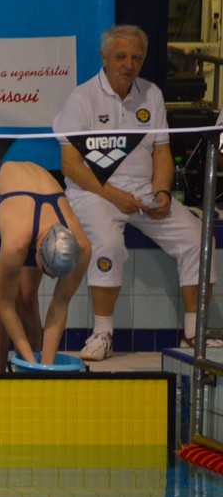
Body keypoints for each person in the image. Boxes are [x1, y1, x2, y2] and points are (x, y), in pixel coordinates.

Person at [54, 24, 214, 360]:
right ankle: (102, 333)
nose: (129, 64)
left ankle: (194, 334)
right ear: (104, 57)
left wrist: (163, 192)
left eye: (136, 58)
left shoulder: (151, 94)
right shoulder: (82, 98)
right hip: (94, 193)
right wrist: (114, 196)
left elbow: (161, 151)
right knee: (108, 243)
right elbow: (70, 166)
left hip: (143, 191)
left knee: (200, 238)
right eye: (121, 57)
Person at [0, 161, 89, 372]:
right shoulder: (17, 243)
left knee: (28, 296)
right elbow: (5, 305)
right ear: (38, 251)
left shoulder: (82, 247)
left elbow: (60, 304)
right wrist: (30, 359)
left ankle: (30, 379)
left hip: (28, 201)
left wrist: (45, 367)